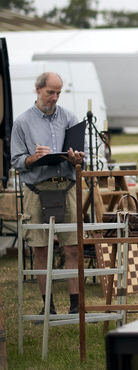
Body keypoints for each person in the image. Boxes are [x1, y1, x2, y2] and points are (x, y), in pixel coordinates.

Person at [11, 72, 86, 316]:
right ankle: (49, 308)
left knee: (73, 247)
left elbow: (82, 156)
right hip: (36, 189)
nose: (54, 97)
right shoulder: (22, 122)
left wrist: (77, 158)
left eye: (58, 93)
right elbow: (16, 160)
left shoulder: (69, 117)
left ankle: (76, 306)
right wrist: (34, 158)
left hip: (67, 187)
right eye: (49, 92)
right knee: (40, 249)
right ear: (37, 90)